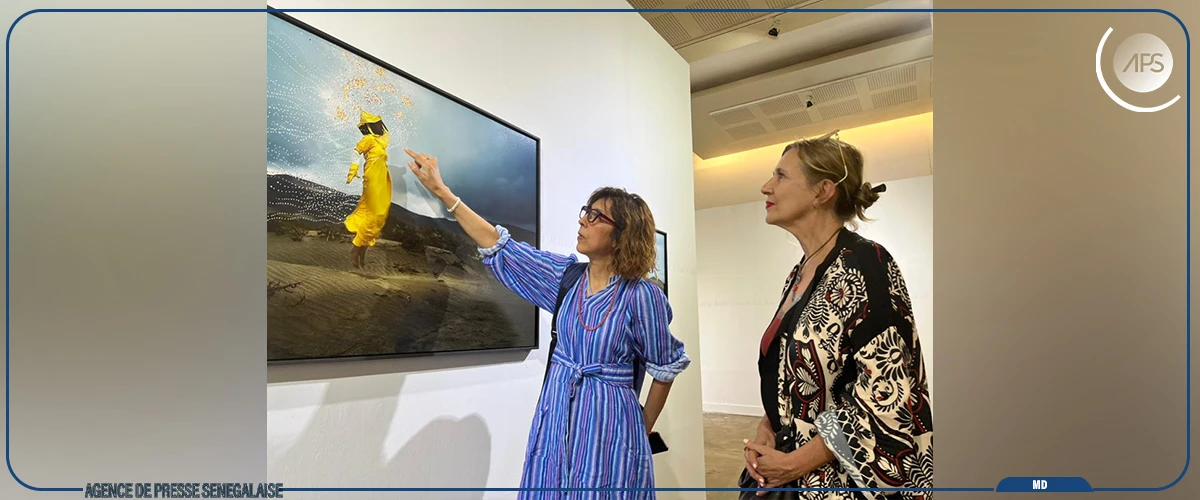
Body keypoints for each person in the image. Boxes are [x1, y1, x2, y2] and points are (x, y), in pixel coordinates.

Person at [403, 148, 691, 499]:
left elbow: (665, 366)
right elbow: (500, 246)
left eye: (596, 216)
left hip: (610, 426)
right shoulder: (566, 277)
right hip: (557, 415)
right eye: (586, 212)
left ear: (622, 234)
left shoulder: (642, 296)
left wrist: (640, 426)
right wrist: (444, 193)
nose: (583, 221)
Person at [739, 131, 933, 499]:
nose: (766, 187)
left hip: (837, 485)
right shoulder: (800, 272)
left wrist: (795, 463)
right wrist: (769, 425)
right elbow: (791, 375)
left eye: (781, 176)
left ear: (822, 191)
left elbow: (886, 396)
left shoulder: (867, 265)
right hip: (793, 471)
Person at [344, 110, 393, 268]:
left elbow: (386, 134)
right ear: (370, 126)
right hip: (372, 176)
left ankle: (362, 250)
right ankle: (356, 248)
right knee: (374, 212)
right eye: (376, 124)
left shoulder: (380, 142)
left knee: (380, 216)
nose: (379, 126)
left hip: (383, 177)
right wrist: (353, 169)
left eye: (380, 123)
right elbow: (355, 152)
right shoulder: (368, 139)